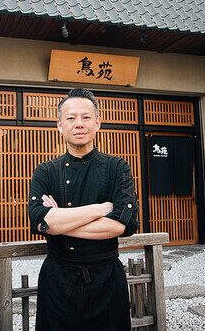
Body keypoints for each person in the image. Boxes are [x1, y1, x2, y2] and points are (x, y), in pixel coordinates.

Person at [28, 88, 140, 330]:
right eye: (71, 118)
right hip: (58, 278)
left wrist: (60, 223)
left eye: (86, 117)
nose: (79, 124)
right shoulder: (45, 171)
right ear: (59, 125)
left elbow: (123, 224)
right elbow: (39, 221)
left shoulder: (117, 167)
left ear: (97, 123)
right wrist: (100, 209)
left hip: (106, 278)